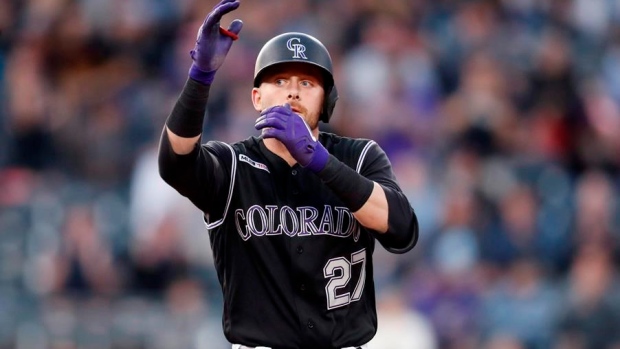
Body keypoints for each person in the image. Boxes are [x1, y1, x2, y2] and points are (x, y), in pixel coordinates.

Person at [157, 1, 419, 348]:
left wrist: (318, 161)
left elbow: (402, 230)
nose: (293, 91)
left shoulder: (358, 157)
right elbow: (175, 162)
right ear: (256, 97)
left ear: (326, 100)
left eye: (307, 83)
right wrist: (200, 78)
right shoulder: (233, 164)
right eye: (279, 80)